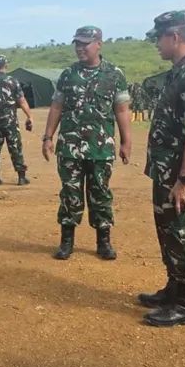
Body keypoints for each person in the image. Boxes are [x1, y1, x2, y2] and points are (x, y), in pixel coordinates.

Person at [138, 10, 185, 326]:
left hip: (178, 174)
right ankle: (174, 287)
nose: (157, 44)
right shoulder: (178, 72)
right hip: (165, 169)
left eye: (159, 37)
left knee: (182, 232)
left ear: (176, 37)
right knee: (168, 230)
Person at [41, 26, 131, 260]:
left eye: (85, 43)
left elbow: (121, 109)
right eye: (77, 43)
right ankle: (66, 241)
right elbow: (57, 106)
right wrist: (48, 137)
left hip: (101, 148)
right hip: (70, 147)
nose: (80, 48)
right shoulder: (68, 74)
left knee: (100, 193)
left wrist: (126, 142)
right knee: (70, 193)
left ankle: (103, 241)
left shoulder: (114, 74)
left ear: (99, 44)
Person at [0, 55, 33, 186]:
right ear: (5, 65)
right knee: (15, 148)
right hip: (10, 122)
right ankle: (21, 177)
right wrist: (29, 116)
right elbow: (22, 100)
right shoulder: (13, 81)